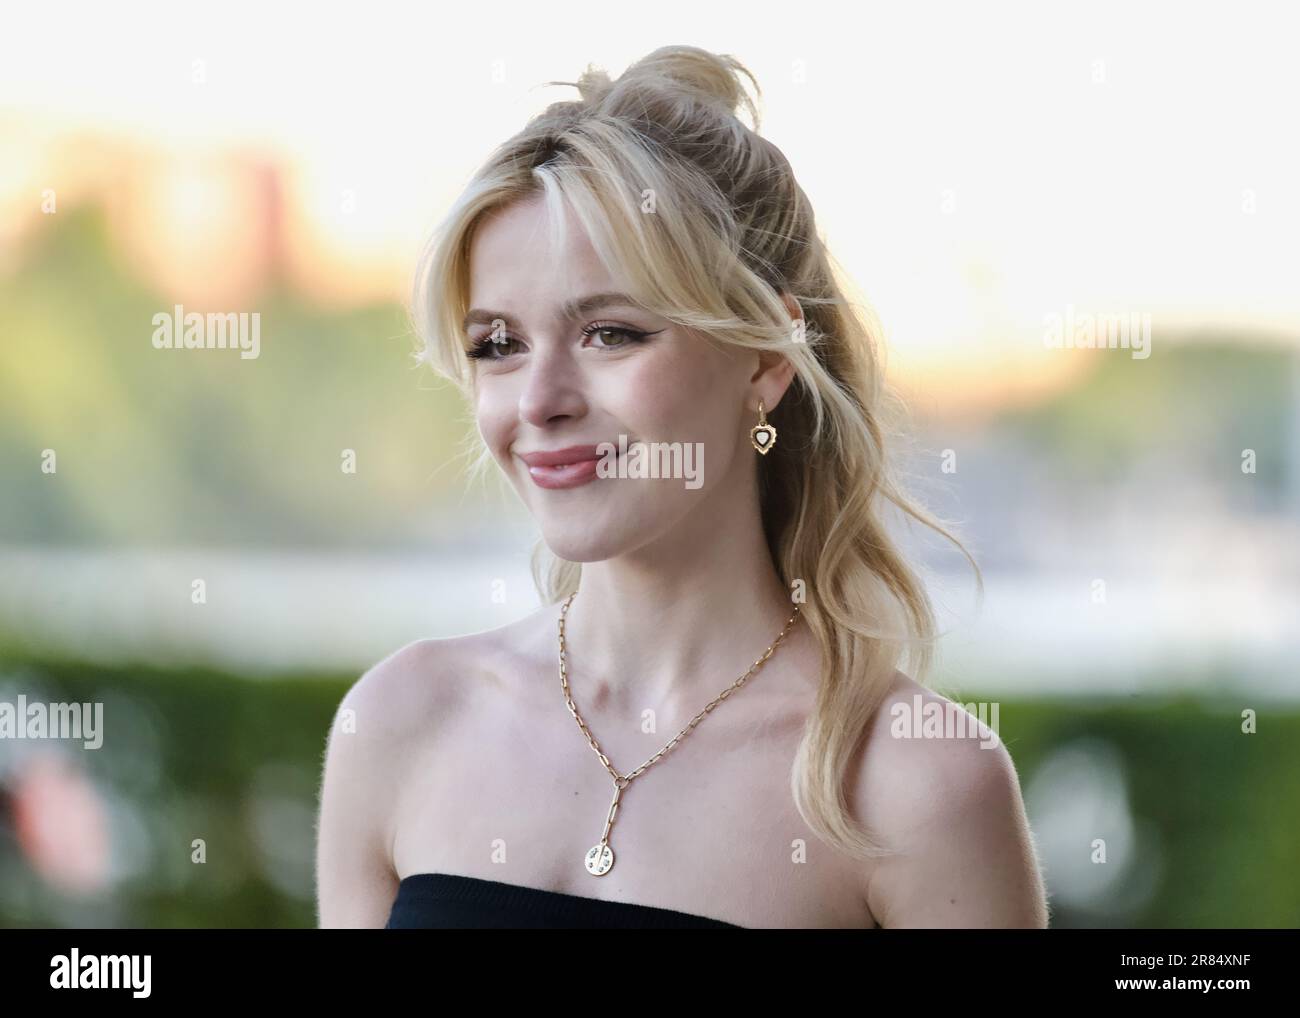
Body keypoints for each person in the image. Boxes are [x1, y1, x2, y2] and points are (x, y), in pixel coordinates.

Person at [316, 44, 1050, 929]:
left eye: (611, 334)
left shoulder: (915, 787)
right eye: (498, 345)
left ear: (768, 360)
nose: (540, 402)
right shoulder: (400, 723)